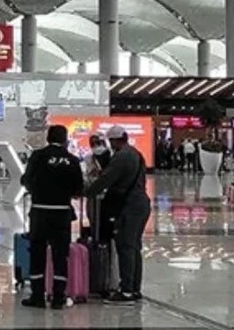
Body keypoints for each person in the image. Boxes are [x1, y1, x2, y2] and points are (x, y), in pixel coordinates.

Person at [19, 125, 84, 309]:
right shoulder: (72, 160)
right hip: (62, 213)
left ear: (48, 138)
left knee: (37, 253)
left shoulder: (38, 156)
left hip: (40, 212)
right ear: (65, 140)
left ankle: (38, 296)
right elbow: (78, 188)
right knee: (60, 255)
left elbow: (27, 180)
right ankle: (58, 297)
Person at [85, 125, 151, 304]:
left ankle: (127, 290)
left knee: (125, 247)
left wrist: (87, 192)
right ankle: (135, 289)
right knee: (134, 247)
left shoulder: (121, 156)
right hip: (141, 204)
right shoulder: (135, 153)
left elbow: (106, 179)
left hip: (129, 207)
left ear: (114, 140)